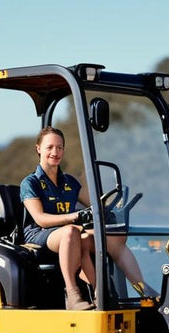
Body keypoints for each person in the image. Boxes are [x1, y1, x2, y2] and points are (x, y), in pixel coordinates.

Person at [20, 127, 155, 311]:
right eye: (49, 147)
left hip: (72, 233)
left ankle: (140, 290)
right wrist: (75, 216)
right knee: (71, 232)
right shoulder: (31, 183)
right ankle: (73, 294)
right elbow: (41, 219)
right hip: (39, 236)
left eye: (59, 148)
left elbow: (96, 204)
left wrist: (113, 207)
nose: (55, 152)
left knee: (109, 238)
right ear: (38, 149)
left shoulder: (70, 181)